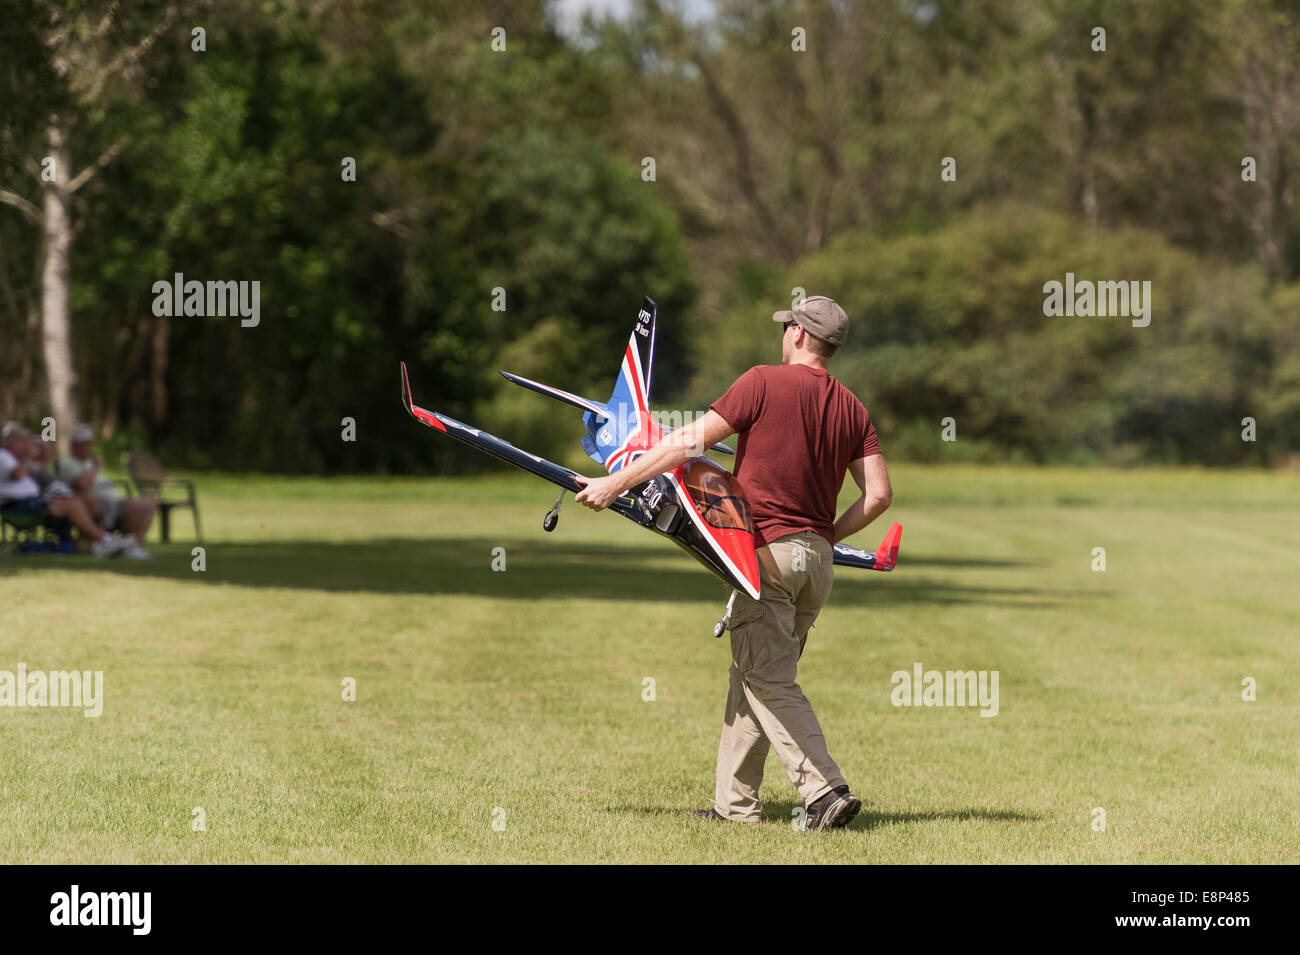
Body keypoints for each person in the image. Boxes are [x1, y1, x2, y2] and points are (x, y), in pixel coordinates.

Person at [575, 296, 892, 831]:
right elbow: (879, 496)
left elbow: (686, 444)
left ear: (796, 333)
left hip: (767, 554)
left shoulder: (762, 382)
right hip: (818, 564)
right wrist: (823, 536)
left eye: (786, 325)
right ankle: (734, 806)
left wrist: (616, 482)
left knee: (767, 678)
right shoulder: (853, 407)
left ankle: (824, 791)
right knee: (754, 673)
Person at [0, 422, 133, 558]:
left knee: (84, 502)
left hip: (34, 502)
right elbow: (16, 475)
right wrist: (28, 456)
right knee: (74, 504)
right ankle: (105, 540)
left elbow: (40, 467)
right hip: (19, 506)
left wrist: (39, 449)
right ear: (10, 442)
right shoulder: (3, 456)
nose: (24, 445)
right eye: (21, 441)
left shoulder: (18, 460)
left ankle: (94, 545)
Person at [55, 423, 155, 554]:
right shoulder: (66, 462)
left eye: (88, 443)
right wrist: (96, 468)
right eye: (83, 443)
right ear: (74, 445)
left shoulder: (90, 462)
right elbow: (82, 484)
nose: (86, 447)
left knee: (148, 503)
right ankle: (125, 546)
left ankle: (135, 545)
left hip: (114, 499)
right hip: (94, 501)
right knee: (130, 506)